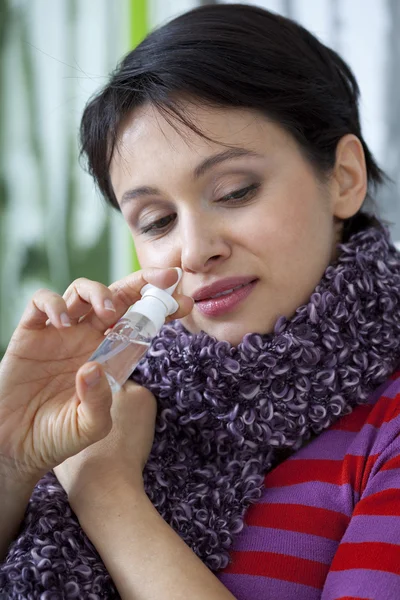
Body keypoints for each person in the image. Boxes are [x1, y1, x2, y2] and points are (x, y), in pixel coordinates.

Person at [1, 3, 400, 599]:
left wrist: (107, 493)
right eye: (156, 221)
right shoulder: (119, 404)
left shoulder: (385, 429)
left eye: (235, 191)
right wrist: (16, 456)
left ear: (343, 177)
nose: (194, 250)